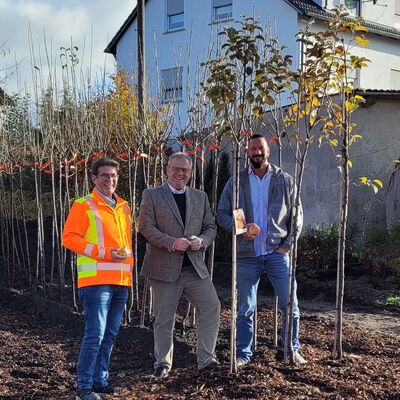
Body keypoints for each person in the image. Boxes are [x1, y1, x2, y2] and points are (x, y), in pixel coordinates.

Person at [216, 133, 306, 366]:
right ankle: (243, 354)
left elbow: (297, 217)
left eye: (261, 148)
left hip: (277, 253)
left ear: (268, 150)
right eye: (253, 148)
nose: (257, 152)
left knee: (290, 304)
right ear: (247, 152)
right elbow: (222, 214)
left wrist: (286, 246)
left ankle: (290, 350)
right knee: (245, 307)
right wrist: (241, 229)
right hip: (247, 255)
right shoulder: (236, 182)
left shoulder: (284, 180)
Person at [139, 152, 220, 379]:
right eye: (175, 168)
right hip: (164, 268)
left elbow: (210, 227)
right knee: (164, 318)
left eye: (185, 170)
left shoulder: (200, 197)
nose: (180, 173)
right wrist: (171, 243)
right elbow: (145, 227)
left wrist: (202, 241)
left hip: (194, 268)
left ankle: (206, 359)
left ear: (191, 173)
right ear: (167, 169)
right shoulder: (152, 195)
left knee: (211, 307)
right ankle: (162, 363)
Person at [63, 157, 134, 400]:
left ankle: (100, 380)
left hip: (121, 281)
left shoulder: (123, 207)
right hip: (95, 282)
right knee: (95, 334)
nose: (109, 179)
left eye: (113, 175)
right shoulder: (83, 205)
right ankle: (83, 388)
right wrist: (102, 253)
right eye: (104, 175)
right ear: (93, 179)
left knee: (110, 334)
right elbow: (69, 238)